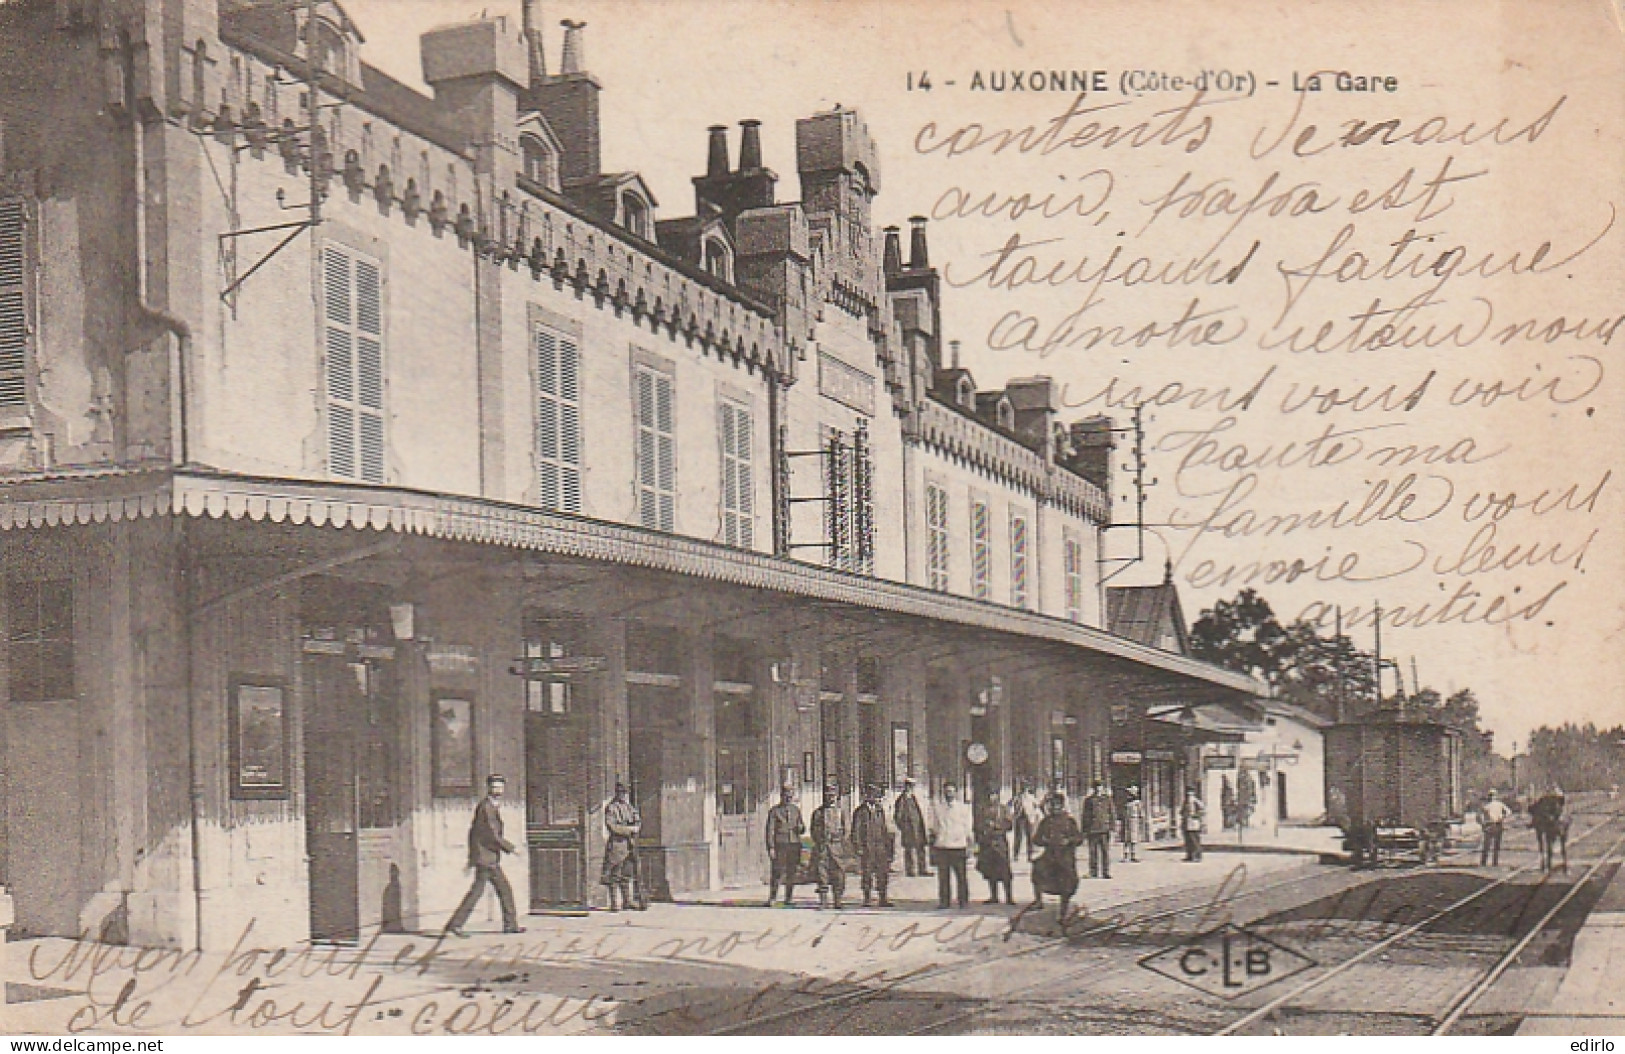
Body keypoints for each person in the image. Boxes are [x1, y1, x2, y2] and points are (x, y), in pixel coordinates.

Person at [444, 774, 525, 936]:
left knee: (483, 891)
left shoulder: (489, 806)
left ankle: (456, 924)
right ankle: (509, 925)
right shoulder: (486, 807)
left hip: (485, 856)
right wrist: (511, 848)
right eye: (495, 787)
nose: (498, 790)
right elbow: (492, 835)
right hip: (487, 858)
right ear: (488, 788)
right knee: (500, 890)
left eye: (500, 787)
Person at [1031, 792, 1082, 922]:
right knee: (1037, 869)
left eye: (1056, 805)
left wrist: (1069, 841)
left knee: (1066, 883)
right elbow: (1036, 839)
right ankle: (1038, 901)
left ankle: (1063, 913)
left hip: (1065, 856)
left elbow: (1079, 838)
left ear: (1062, 806)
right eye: (1052, 805)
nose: (1054, 808)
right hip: (1050, 855)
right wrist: (1044, 841)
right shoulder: (1045, 822)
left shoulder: (1069, 821)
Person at [600, 782, 643, 911]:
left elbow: (637, 821)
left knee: (627, 873)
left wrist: (635, 827)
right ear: (617, 793)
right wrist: (629, 829)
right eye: (621, 793)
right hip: (617, 844)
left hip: (630, 844)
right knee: (614, 874)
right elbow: (612, 827)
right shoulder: (611, 808)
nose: (623, 795)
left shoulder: (629, 807)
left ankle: (627, 901)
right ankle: (614, 903)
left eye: (625, 793)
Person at [931, 782, 974, 909]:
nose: (948, 794)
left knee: (961, 875)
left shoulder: (963, 808)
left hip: (958, 846)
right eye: (946, 792)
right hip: (943, 845)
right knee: (943, 876)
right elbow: (934, 826)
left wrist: (969, 845)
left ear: (956, 793)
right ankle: (944, 901)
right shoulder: (938, 808)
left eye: (951, 791)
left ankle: (963, 900)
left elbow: (968, 828)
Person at [851, 784, 894, 907]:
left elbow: (884, 829)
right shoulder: (860, 812)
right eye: (872, 795)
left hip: (880, 847)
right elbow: (856, 831)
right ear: (867, 796)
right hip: (867, 847)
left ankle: (883, 898)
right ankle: (867, 898)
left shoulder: (880, 810)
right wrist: (858, 847)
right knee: (867, 873)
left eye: (876, 796)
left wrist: (888, 847)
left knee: (882, 873)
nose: (875, 798)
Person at [810, 783, 850, 909]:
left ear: (836, 796)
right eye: (827, 795)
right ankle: (823, 901)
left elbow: (847, 829)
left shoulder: (841, 812)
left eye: (832, 795)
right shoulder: (818, 812)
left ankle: (838, 900)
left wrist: (840, 840)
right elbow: (813, 829)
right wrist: (820, 840)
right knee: (822, 874)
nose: (830, 798)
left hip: (837, 847)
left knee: (839, 874)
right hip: (823, 847)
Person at [765, 783, 805, 906]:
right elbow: (770, 830)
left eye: (790, 796)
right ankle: (773, 897)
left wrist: (800, 828)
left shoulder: (795, 810)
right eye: (786, 795)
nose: (788, 798)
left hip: (793, 844)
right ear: (781, 796)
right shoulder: (775, 811)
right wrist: (771, 847)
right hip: (780, 845)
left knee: (791, 873)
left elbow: (802, 827)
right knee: (777, 872)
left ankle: (789, 898)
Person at [975, 790, 1015, 905]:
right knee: (990, 869)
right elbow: (978, 824)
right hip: (987, 843)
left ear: (998, 796)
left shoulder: (1003, 810)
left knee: (1004, 870)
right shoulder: (984, 810)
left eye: (994, 795)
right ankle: (994, 896)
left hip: (1000, 842)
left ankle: (1009, 897)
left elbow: (1009, 825)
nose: (992, 798)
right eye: (990, 795)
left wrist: (997, 826)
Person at [894, 777, 931, 877]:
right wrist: (904, 827)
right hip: (909, 829)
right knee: (909, 849)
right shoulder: (902, 800)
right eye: (908, 786)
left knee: (921, 848)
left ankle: (922, 869)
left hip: (918, 827)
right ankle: (910, 870)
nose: (910, 788)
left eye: (912, 786)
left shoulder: (914, 798)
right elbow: (898, 816)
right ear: (905, 787)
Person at [1082, 781, 1113, 879]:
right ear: (1093, 788)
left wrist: (1112, 826)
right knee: (1093, 852)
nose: (1098, 789)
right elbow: (1085, 816)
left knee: (1105, 851)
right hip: (1092, 829)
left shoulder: (1107, 800)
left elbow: (1112, 813)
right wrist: (1084, 829)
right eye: (1096, 787)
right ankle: (1093, 871)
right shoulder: (1089, 800)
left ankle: (1105, 872)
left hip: (1104, 829)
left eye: (1100, 787)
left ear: (1102, 788)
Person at [1012, 780, 1042, 862]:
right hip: (1019, 818)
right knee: (1018, 837)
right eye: (1022, 787)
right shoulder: (1017, 797)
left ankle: (1029, 855)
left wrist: (1035, 815)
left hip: (1028, 818)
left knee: (1029, 838)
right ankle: (1015, 855)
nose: (1024, 789)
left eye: (1025, 787)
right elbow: (1012, 806)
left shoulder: (1031, 797)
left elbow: (1038, 805)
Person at [1480, 788, 1509, 867]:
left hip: (1495, 825)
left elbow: (1508, 811)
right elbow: (1480, 816)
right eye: (1491, 795)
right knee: (1489, 845)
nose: (1492, 797)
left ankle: (1491, 862)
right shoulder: (1487, 806)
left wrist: (1502, 817)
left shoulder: (1497, 804)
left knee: (1492, 844)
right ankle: (1487, 862)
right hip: (1491, 825)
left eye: (1492, 795)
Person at [1121, 786, 1147, 863]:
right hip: (1127, 821)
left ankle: (1133, 855)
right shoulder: (1127, 803)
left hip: (1134, 821)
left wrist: (1141, 822)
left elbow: (1141, 813)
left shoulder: (1137, 803)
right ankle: (1126, 855)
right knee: (1126, 839)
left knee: (1133, 839)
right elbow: (1123, 813)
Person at [1181, 787, 1205, 863]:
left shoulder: (1196, 802)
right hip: (1186, 823)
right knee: (1188, 840)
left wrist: (1195, 815)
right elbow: (1182, 811)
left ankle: (1197, 856)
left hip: (1194, 824)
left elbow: (1202, 811)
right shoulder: (1185, 802)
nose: (1189, 795)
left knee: (1195, 840)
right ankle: (1189, 855)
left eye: (1190, 794)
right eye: (1187, 794)